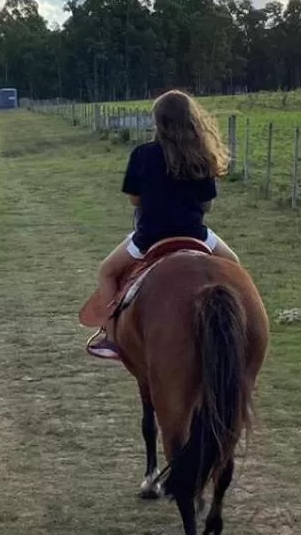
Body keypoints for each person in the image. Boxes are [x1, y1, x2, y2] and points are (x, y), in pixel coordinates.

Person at [78, 89, 239, 360]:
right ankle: (238, 326)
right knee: (233, 265)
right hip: (194, 234)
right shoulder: (199, 154)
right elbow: (207, 204)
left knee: (106, 271)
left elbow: (134, 200)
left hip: (149, 238)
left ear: (158, 121)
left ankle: (111, 335)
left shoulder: (142, 154)